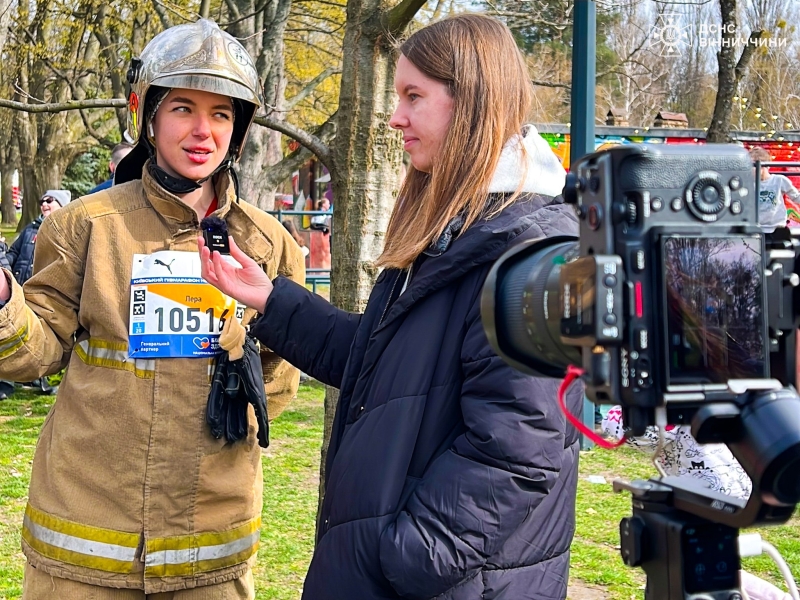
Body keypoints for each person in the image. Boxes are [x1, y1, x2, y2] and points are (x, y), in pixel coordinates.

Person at [200, 14, 582, 600]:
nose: (396, 116)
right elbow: (391, 366)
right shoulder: (457, 229)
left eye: (414, 96)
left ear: (473, 103)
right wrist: (270, 299)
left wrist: (404, 557)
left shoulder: (529, 255)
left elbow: (520, 450)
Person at [0, 19, 304, 599]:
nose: (202, 131)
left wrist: (242, 370)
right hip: (84, 542)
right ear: (149, 116)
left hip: (209, 545)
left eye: (221, 114)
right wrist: (3, 301)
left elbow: (281, 388)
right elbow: (31, 356)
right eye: (183, 108)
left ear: (239, 130)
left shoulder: (268, 243)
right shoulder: (83, 226)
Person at [8, 189, 70, 286]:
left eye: (49, 200)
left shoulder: (67, 231)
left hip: (42, 290)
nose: (44, 204)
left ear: (62, 205)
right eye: (42, 202)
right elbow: (14, 252)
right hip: (19, 286)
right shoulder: (30, 228)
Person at [749, 146, 799, 232]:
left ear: (763, 166)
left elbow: (796, 197)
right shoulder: (749, 183)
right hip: (756, 229)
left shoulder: (779, 180)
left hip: (777, 227)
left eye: (752, 165)